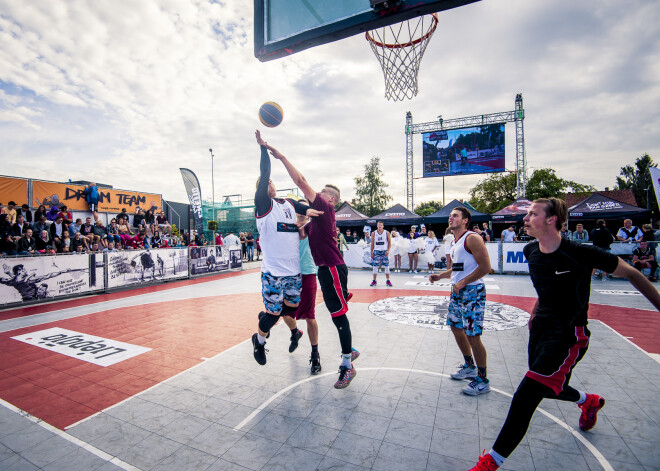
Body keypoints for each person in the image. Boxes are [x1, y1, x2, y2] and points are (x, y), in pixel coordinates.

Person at [469, 197, 660, 471]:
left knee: (527, 394)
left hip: (569, 335)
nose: (525, 218)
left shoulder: (580, 253)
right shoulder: (530, 250)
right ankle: (588, 400)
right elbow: (547, 287)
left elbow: (632, 272)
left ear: (551, 220)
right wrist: (535, 312)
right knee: (547, 388)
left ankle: (491, 463)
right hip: (541, 331)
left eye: (532, 214)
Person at [262, 130, 360, 389]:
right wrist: (301, 225)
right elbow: (301, 233)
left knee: (339, 316)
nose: (319, 192)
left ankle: (347, 364)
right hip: (325, 270)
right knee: (335, 314)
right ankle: (348, 349)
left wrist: (281, 156)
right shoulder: (317, 218)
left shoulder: (327, 209)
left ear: (332, 199)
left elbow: (301, 180)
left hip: (332, 269)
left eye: (324, 191)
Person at [250, 131, 322, 369]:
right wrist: (263, 147)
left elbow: (306, 208)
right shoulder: (263, 206)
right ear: (260, 188)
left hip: (294, 272)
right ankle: (259, 341)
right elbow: (265, 172)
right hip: (273, 272)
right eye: (264, 182)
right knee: (272, 315)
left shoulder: (288, 204)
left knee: (289, 310)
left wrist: (311, 213)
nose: (269, 182)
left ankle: (291, 332)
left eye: (271, 181)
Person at [430, 207, 492, 396]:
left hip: (472, 291)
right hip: (458, 290)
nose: (451, 218)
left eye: (455, 216)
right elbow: (458, 268)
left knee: (473, 335)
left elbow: (486, 267)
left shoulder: (472, 238)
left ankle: (482, 379)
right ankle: (469, 365)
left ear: (465, 220)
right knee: (456, 328)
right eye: (450, 216)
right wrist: (441, 276)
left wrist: (464, 282)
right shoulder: (456, 241)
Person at [292, 199, 323, 374]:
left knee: (310, 316)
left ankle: (315, 353)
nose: (303, 210)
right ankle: (295, 332)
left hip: (309, 272)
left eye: (306, 207)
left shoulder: (313, 226)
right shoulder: (287, 226)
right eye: (300, 207)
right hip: (291, 274)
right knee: (284, 313)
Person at [370, 221, 392, 286]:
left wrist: (388, 250)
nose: (379, 226)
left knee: (386, 266)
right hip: (376, 251)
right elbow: (372, 244)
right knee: (374, 266)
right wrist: (371, 253)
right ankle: (374, 280)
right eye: (378, 225)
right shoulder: (374, 233)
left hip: (384, 251)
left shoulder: (386, 233)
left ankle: (388, 280)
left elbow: (390, 242)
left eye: (381, 225)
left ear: (383, 226)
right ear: (377, 226)